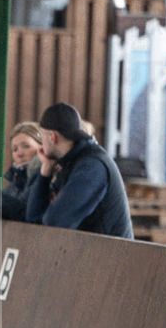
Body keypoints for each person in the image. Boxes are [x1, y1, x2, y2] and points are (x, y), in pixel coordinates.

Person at [25, 102, 133, 238]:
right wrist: (45, 171)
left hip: (111, 256)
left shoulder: (92, 167)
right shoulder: (70, 164)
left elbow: (55, 221)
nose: (41, 143)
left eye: (41, 135)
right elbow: (35, 217)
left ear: (52, 137)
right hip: (93, 254)